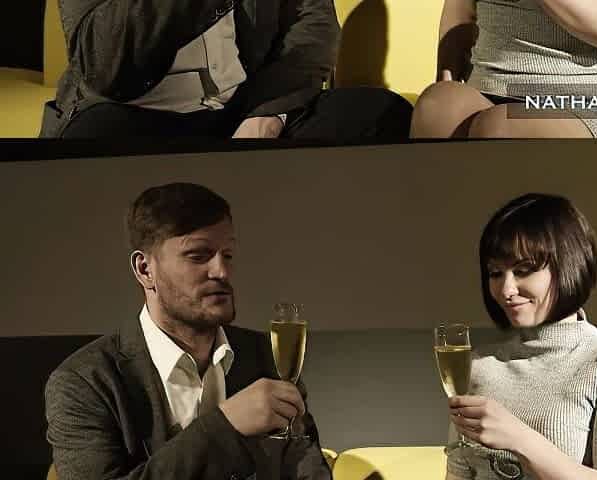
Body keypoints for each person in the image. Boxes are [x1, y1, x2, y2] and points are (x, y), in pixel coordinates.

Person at [45, 183, 331, 480]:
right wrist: (226, 424)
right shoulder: (83, 383)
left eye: (228, 255)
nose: (221, 271)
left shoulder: (268, 358)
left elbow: (310, 472)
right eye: (198, 256)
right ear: (145, 269)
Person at [445, 193, 597, 479]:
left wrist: (519, 438)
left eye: (523, 270)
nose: (506, 290)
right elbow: (458, 473)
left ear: (569, 265)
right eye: (495, 273)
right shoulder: (479, 364)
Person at [38, 0, 412, 140]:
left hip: (242, 108)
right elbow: (103, 63)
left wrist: (268, 113)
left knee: (380, 115)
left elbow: (314, 23)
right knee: (94, 144)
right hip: (132, 113)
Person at [410, 0, 597, 138]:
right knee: (438, 108)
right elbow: (461, 11)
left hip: (595, 99)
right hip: (490, 88)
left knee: (500, 127)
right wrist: (447, 73)